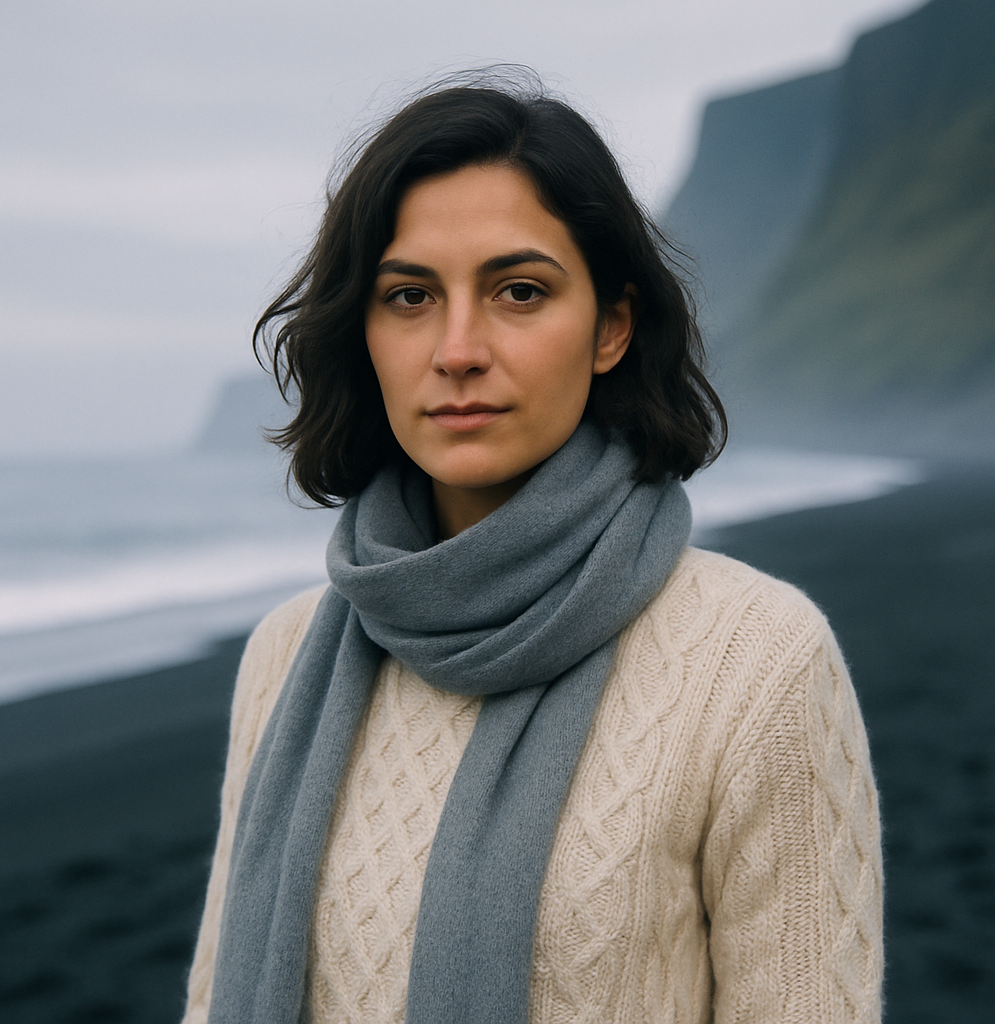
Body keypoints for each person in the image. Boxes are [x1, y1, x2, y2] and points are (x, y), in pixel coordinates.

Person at [182, 76, 883, 1024]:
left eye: (519, 291)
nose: (459, 348)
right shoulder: (283, 659)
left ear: (611, 327)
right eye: (409, 296)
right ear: (367, 332)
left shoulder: (758, 662)